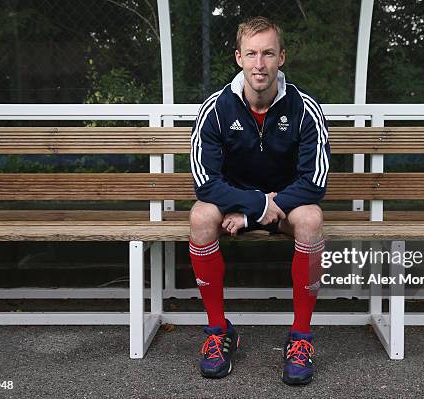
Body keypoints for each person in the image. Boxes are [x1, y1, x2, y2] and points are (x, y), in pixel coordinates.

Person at [189, 16, 330, 386]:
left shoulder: (304, 108)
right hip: (235, 202)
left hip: (286, 202)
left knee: (312, 219)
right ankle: (218, 332)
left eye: (268, 53)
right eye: (251, 54)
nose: (259, 63)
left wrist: (263, 208)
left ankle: (301, 338)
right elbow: (205, 183)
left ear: (281, 57)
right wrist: (254, 204)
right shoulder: (216, 109)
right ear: (238, 57)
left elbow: (314, 182)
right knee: (202, 216)